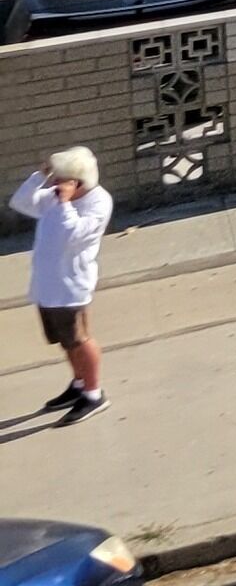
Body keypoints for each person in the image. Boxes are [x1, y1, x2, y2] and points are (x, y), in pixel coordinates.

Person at [13, 147, 110, 419]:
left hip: (71, 286)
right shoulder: (54, 196)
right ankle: (78, 384)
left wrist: (66, 203)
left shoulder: (98, 203)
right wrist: (38, 178)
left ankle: (93, 393)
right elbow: (21, 203)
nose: (55, 184)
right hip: (47, 284)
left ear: (77, 182)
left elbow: (73, 235)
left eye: (60, 179)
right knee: (65, 342)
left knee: (79, 340)